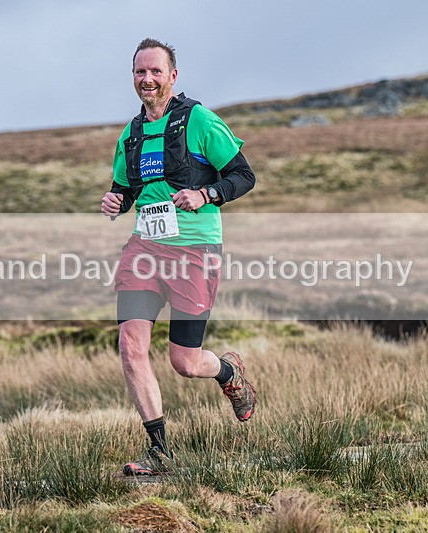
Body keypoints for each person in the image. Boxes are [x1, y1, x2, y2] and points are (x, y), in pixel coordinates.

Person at [100, 38, 257, 476]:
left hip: (194, 249)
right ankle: (160, 452)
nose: (146, 79)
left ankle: (227, 372)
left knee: (185, 362)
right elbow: (124, 190)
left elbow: (244, 175)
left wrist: (206, 193)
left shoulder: (199, 121)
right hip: (144, 249)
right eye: (139, 72)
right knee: (131, 346)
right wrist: (115, 202)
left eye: (155, 71)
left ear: (173, 75)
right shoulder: (129, 135)